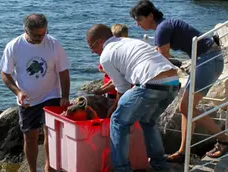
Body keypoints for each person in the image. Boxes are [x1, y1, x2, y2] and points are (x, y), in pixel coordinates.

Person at [130, 0, 225, 162]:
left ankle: (224, 139)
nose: (138, 25)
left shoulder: (161, 30)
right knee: (186, 108)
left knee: (186, 107)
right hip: (208, 58)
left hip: (208, 59)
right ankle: (182, 152)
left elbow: (162, 61)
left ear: (150, 16)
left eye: (139, 20)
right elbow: (164, 56)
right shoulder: (164, 26)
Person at [86, 24, 180, 171]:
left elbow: (122, 88)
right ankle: (159, 164)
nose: (93, 51)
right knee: (148, 121)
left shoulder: (106, 55)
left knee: (118, 122)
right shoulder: (130, 42)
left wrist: (113, 108)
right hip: (173, 82)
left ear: (99, 41)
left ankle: (122, 168)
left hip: (151, 83)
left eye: (91, 47)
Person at [0, 14, 70, 172]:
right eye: (37, 35)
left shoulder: (53, 44)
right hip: (28, 100)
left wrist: (65, 96)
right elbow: (5, 73)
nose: (42, 37)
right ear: (26, 30)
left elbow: (64, 72)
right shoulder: (14, 46)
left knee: (50, 134)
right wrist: (18, 92)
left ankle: (49, 168)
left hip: (51, 95)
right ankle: (32, 170)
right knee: (30, 137)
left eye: (44, 33)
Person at [94, 24, 129, 99]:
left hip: (116, 89)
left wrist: (101, 90)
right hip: (116, 86)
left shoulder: (109, 54)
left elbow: (117, 82)